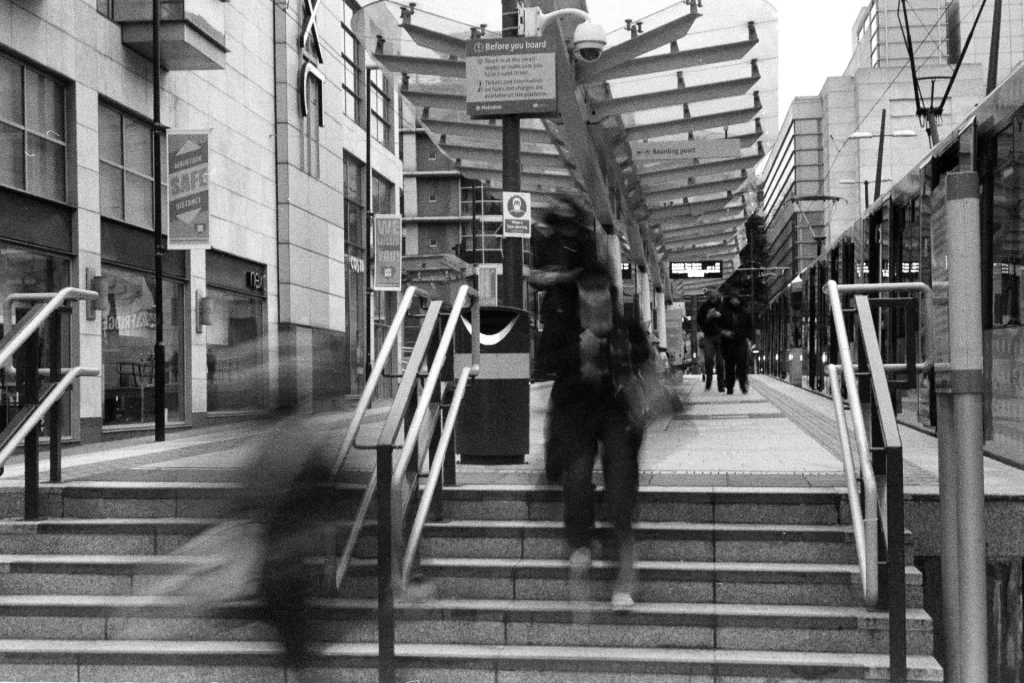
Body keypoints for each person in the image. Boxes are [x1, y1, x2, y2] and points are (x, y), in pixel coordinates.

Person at [529, 198, 647, 612]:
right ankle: (581, 545)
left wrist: (620, 354)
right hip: (576, 410)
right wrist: (578, 355)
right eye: (588, 295)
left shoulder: (622, 319)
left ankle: (625, 576)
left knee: (619, 494)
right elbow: (545, 362)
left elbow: (643, 358)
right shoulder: (561, 314)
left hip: (615, 411)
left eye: (601, 295)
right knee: (577, 479)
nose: (595, 302)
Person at [529, 196, 599, 483]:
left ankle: (569, 461)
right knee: (565, 396)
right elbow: (538, 275)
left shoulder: (586, 240)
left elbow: (592, 274)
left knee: (573, 397)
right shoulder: (552, 239)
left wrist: (559, 278)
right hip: (561, 325)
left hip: (583, 322)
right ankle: (559, 462)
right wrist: (543, 278)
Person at [719, 290, 754, 395]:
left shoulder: (744, 312)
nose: (735, 301)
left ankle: (743, 385)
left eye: (737, 299)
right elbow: (717, 325)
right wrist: (723, 331)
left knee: (741, 364)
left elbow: (750, 326)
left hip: (741, 341)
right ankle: (730, 387)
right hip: (727, 343)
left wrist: (749, 338)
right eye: (733, 299)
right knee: (729, 366)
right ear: (730, 300)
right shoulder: (723, 312)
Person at [695, 288, 725, 392]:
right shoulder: (704, 307)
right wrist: (708, 316)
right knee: (708, 360)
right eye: (708, 294)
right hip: (708, 336)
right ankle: (709, 381)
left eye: (711, 293)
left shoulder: (722, 306)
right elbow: (699, 322)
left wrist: (719, 316)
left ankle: (721, 385)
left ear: (716, 293)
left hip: (721, 336)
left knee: (720, 362)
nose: (710, 295)